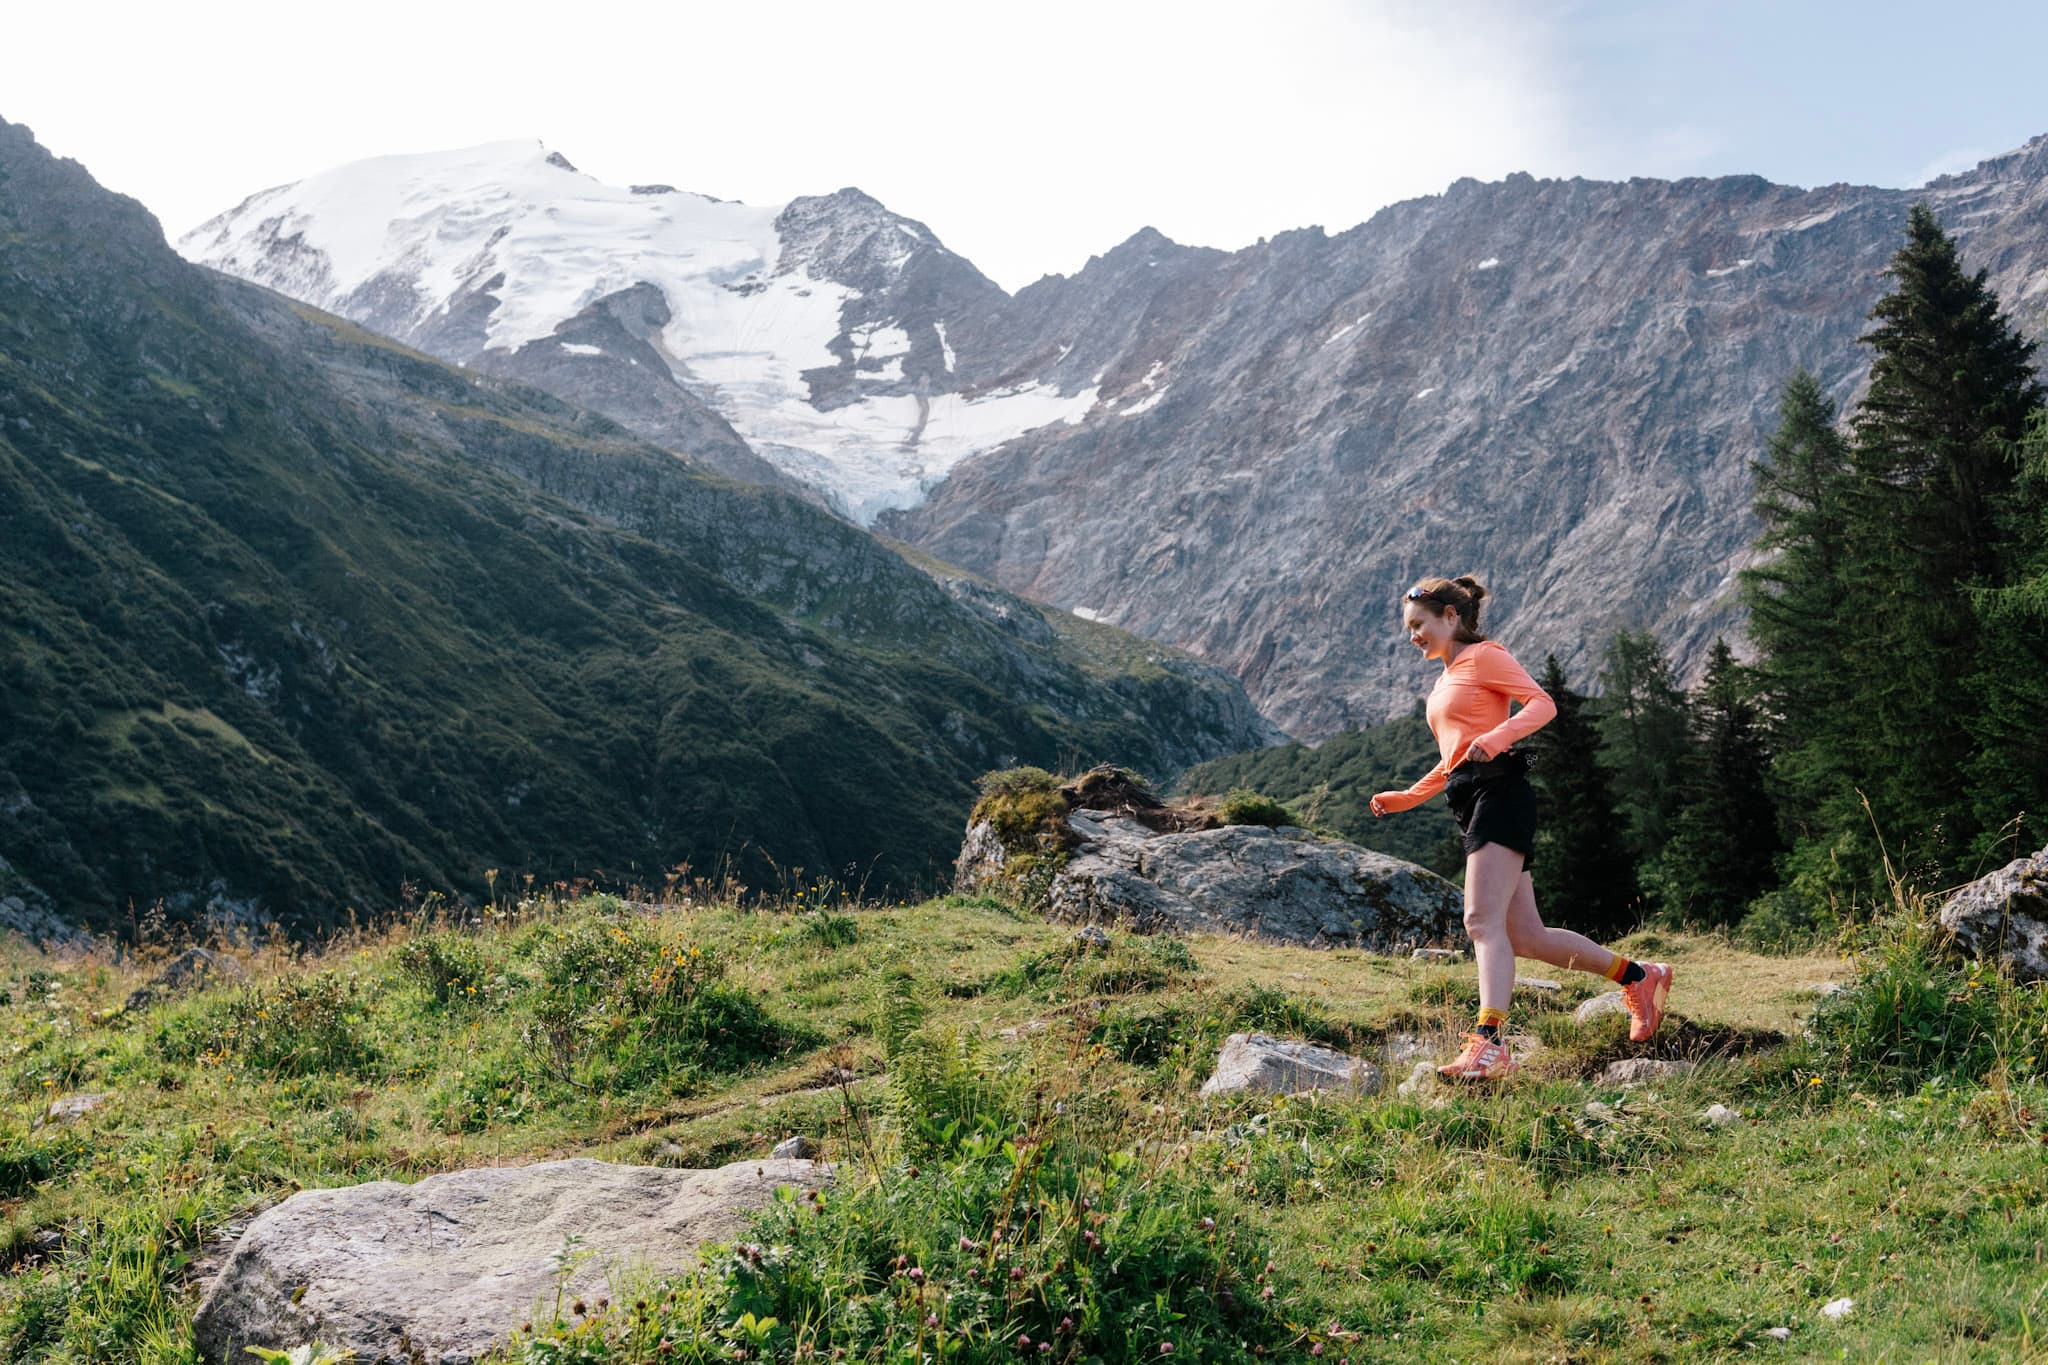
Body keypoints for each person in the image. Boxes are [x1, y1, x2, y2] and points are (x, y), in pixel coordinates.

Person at [1369, 575, 1671, 1081]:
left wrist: (1499, 735)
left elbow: (1541, 704)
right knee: (1525, 936)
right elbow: (1454, 758)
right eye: (1408, 629)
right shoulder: (1445, 680)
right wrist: (1407, 797)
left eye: (1419, 625)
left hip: (1500, 795)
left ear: (1451, 617)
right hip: (1473, 798)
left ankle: (1489, 1043)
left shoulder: (1485, 656)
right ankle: (1640, 976)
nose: (1413, 636)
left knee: (1479, 922)